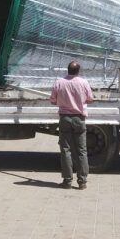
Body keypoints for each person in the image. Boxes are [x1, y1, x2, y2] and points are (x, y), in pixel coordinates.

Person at [50, 61, 94, 190]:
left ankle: (67, 181)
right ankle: (82, 182)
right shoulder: (83, 82)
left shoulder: (59, 82)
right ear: (78, 71)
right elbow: (90, 99)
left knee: (65, 150)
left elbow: (53, 101)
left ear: (67, 70)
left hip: (65, 118)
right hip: (79, 119)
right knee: (82, 150)